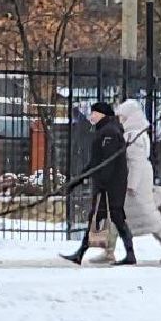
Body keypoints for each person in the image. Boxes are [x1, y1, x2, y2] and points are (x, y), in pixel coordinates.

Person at [61, 101, 136, 266]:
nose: (91, 116)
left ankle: (130, 254)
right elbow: (95, 162)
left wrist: (102, 184)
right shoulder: (104, 131)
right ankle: (81, 253)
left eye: (94, 112)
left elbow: (108, 163)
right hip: (106, 183)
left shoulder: (110, 133)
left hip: (111, 184)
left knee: (115, 216)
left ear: (102, 114)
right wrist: (77, 180)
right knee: (97, 216)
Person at [114, 99, 161, 264]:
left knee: (144, 215)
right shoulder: (138, 133)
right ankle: (109, 249)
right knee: (129, 214)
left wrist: (131, 184)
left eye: (123, 116)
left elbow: (135, 161)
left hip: (135, 179)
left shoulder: (132, 135)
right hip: (139, 177)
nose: (120, 119)